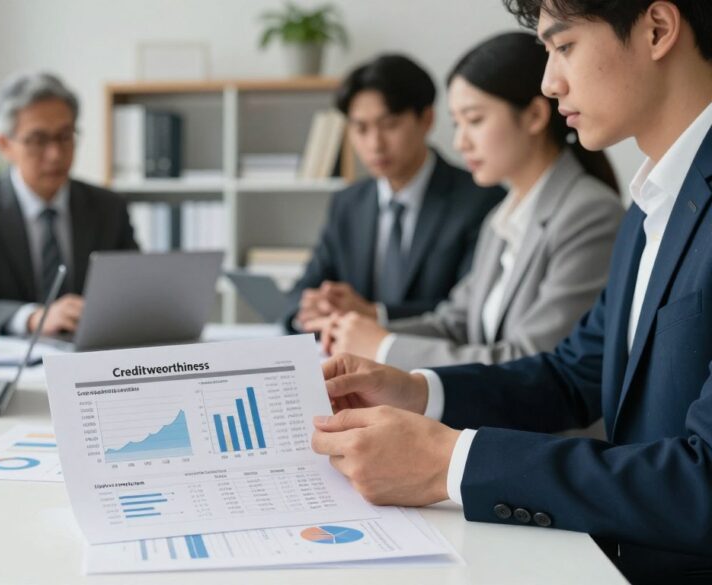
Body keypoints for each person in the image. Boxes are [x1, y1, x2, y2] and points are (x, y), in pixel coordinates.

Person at [310, 1, 712, 581]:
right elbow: (574, 375)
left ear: (656, 30)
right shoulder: (651, 205)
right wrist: (418, 391)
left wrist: (446, 463)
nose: (549, 83)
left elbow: (702, 479)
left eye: (564, 46)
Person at [320, 32, 624, 371]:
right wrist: (365, 334)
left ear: (535, 116)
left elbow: (536, 362)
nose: (460, 142)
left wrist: (384, 346)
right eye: (457, 123)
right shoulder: (502, 218)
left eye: (475, 120)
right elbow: (456, 323)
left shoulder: (589, 214)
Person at [288, 55, 505, 333]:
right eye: (361, 128)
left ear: (426, 119)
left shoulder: (481, 200)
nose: (374, 144)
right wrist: (310, 310)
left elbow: (473, 309)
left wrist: (375, 315)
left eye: (389, 125)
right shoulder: (348, 202)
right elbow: (304, 289)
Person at [0, 72, 138, 336]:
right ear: (4, 145)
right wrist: (34, 317)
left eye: (65, 136)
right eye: (38, 140)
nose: (55, 154)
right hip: (11, 362)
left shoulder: (108, 207)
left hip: (93, 357)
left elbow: (135, 290)